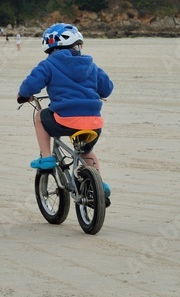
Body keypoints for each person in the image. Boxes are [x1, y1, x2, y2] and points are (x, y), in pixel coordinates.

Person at [17, 23, 114, 202]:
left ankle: (46, 157)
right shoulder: (91, 65)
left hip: (64, 121)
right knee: (86, 151)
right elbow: (107, 88)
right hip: (94, 123)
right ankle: (99, 183)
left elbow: (31, 85)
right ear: (77, 45)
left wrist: (23, 96)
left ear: (50, 46)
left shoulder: (48, 64)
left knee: (40, 116)